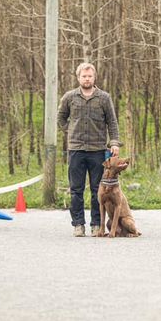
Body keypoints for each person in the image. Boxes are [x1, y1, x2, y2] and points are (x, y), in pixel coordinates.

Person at [57, 63, 121, 237]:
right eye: (84, 76)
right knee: (76, 189)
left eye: (89, 76)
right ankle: (78, 224)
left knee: (97, 189)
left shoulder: (104, 98)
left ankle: (95, 224)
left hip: (98, 150)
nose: (87, 79)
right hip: (76, 150)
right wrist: (70, 130)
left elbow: (112, 122)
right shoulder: (69, 97)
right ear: (78, 78)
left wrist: (114, 142)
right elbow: (61, 117)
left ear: (94, 77)